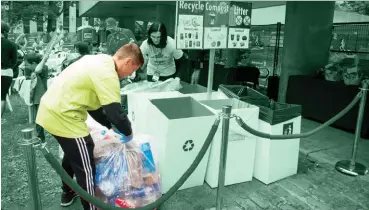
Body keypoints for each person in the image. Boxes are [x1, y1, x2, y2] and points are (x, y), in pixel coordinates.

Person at [35, 43, 144, 210]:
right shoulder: (108, 74)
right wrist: (128, 134)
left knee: (74, 154)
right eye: (132, 70)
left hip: (51, 109)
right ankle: (91, 207)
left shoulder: (99, 60)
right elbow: (115, 111)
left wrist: (109, 127)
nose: (130, 75)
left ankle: (68, 191)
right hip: (64, 115)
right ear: (127, 62)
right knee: (85, 162)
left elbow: (95, 108)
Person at [24, 53, 49, 141]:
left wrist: (43, 59)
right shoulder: (35, 70)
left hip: (40, 97)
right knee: (39, 119)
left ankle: (40, 138)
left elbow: (39, 69)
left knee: (39, 119)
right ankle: (40, 136)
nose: (26, 66)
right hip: (37, 98)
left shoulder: (42, 68)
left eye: (27, 64)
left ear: (34, 63)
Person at [1, 21, 18, 118]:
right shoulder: (11, 44)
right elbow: (15, 60)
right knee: (2, 97)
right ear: (5, 31)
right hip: (6, 72)